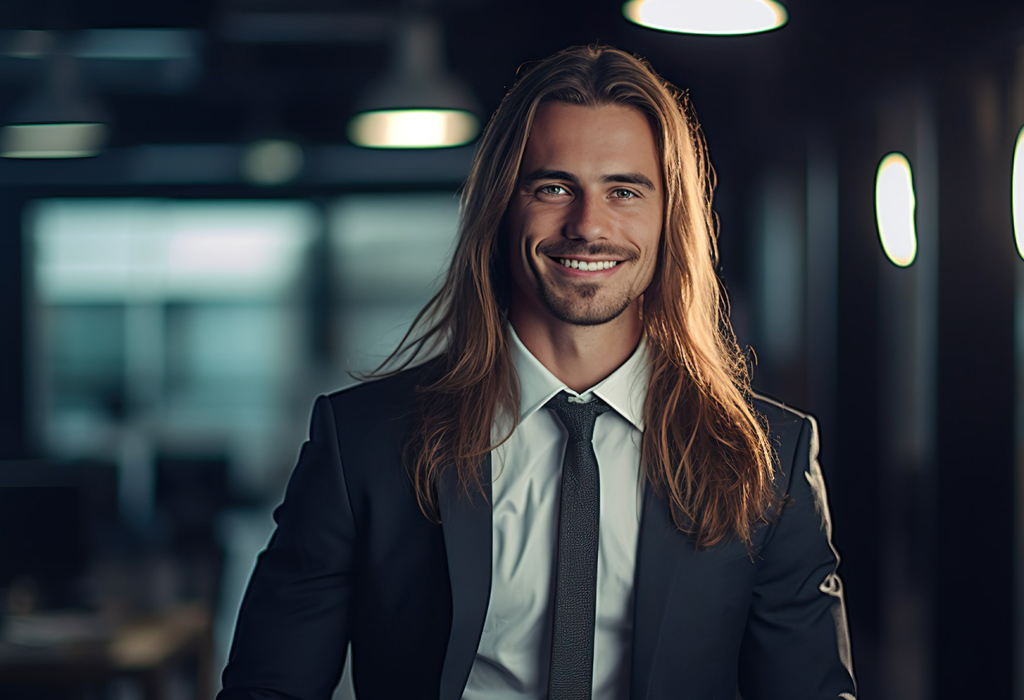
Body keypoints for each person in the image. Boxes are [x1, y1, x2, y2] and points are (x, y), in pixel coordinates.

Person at [218, 45, 857, 700]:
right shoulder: (364, 445)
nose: (588, 225)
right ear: (501, 208)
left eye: (625, 191)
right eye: (554, 188)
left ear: (670, 221)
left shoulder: (767, 459)